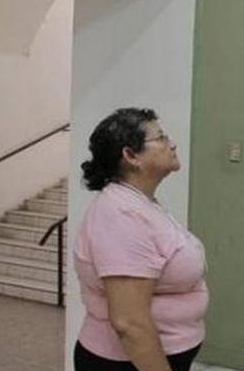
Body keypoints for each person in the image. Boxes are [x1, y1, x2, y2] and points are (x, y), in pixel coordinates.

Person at [73, 108, 208, 371]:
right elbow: (129, 323)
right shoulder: (121, 215)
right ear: (131, 155)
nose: (172, 143)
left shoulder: (140, 204)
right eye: (161, 137)